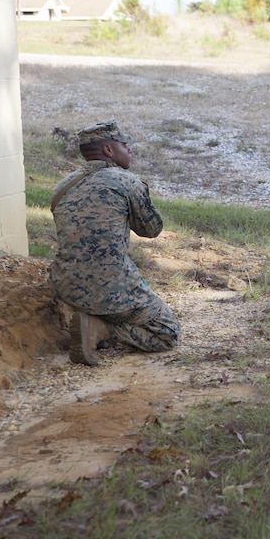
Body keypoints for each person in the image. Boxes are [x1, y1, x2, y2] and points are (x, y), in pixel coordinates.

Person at [49, 120, 181, 365]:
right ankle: (101, 329)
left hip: (65, 285)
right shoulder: (126, 181)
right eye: (124, 144)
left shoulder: (63, 185)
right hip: (111, 287)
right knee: (167, 333)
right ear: (108, 150)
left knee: (109, 297)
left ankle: (96, 319)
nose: (129, 149)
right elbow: (152, 229)